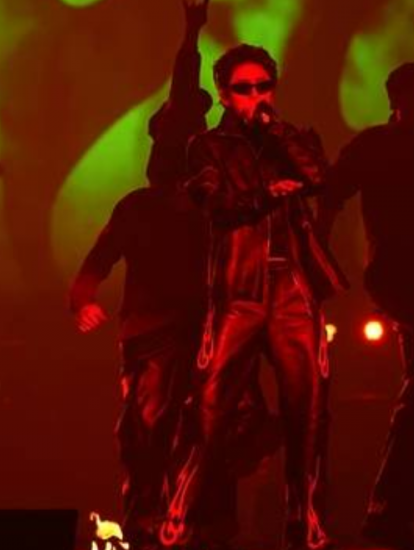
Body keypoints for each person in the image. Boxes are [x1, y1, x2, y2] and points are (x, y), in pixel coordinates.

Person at [71, 3, 276, 546]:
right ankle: (149, 523)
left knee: (210, 433)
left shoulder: (213, 204)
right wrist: (190, 35)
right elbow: (96, 261)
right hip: (153, 335)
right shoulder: (140, 207)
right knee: (149, 432)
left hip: (203, 332)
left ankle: (203, 526)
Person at [158, 44, 346, 550]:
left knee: (308, 409)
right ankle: (179, 512)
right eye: (244, 89)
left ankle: (305, 520)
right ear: (223, 93)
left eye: (265, 86)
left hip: (293, 289)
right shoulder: (207, 146)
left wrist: (278, 133)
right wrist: (266, 195)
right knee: (209, 405)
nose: (257, 97)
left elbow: (318, 178)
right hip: (238, 290)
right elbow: (213, 203)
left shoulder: (290, 137)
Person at [317, 62, 414, 549]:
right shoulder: (374, 144)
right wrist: (318, 252)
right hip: (396, 273)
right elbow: (332, 192)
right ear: (397, 99)